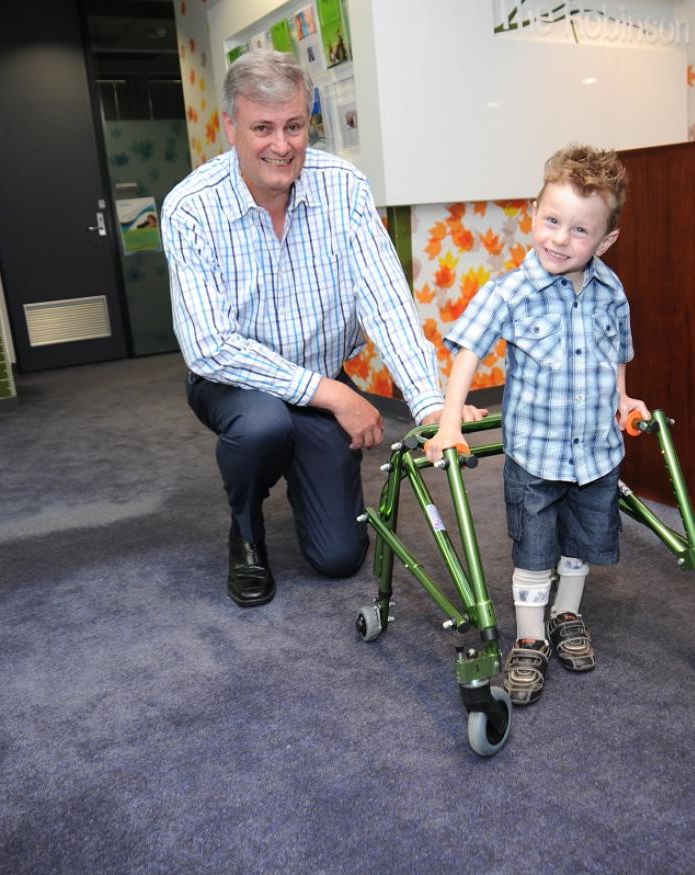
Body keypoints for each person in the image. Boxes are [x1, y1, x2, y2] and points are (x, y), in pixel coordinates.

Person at [162, 50, 481, 608]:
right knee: (262, 427)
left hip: (316, 375)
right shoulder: (190, 208)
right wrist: (336, 394)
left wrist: (431, 405)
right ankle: (246, 529)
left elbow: (387, 302)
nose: (281, 146)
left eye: (293, 126)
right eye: (262, 128)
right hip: (234, 384)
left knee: (338, 558)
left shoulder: (345, 188)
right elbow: (210, 346)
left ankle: (301, 461)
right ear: (231, 127)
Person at [425, 144, 650, 706]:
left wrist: (623, 399)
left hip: (597, 453)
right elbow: (468, 351)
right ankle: (529, 639)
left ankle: (567, 616)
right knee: (535, 552)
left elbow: (617, 350)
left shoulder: (611, 291)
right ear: (533, 214)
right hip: (536, 455)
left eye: (579, 230)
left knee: (580, 546)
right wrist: (450, 421)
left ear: (605, 241)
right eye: (551, 221)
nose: (558, 238)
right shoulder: (511, 291)